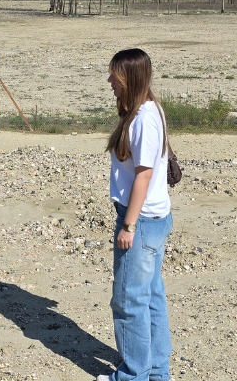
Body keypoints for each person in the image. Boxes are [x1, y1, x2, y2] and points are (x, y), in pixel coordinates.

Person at [97, 49, 172, 381]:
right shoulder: (150, 109)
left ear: (131, 78)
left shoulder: (143, 118)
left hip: (140, 222)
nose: (110, 81)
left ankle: (132, 375)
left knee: (129, 302)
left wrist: (128, 225)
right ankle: (156, 372)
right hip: (153, 219)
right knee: (151, 296)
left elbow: (143, 174)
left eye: (115, 75)